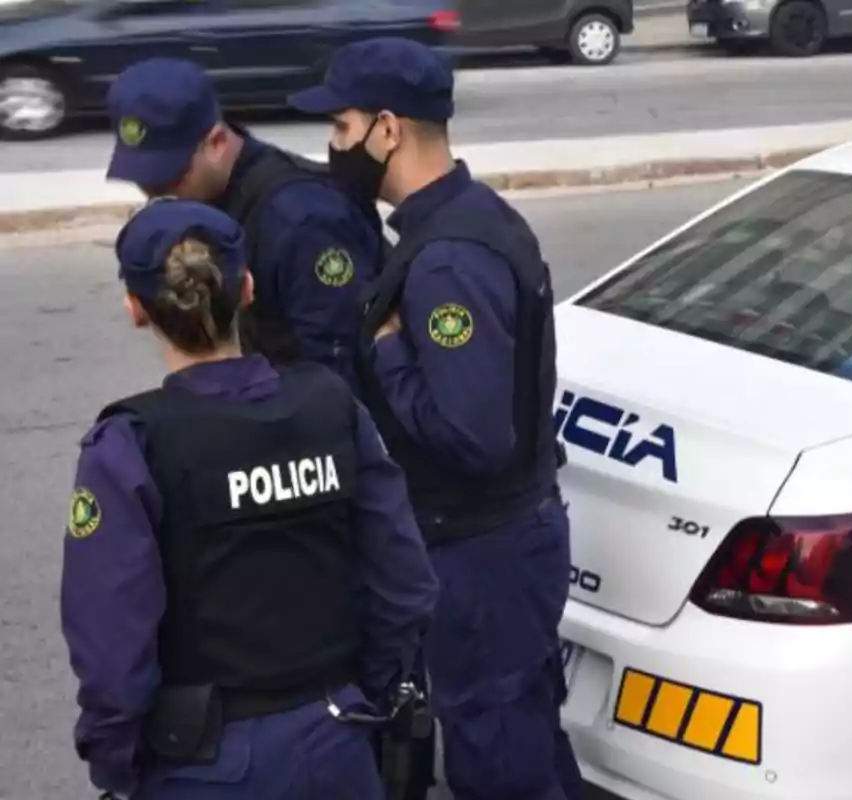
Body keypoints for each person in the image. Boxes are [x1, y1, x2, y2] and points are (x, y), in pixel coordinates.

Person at [59, 198, 440, 799]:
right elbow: (404, 581)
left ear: (135, 308)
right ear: (249, 286)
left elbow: (112, 647)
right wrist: (360, 696)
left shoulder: (132, 445)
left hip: (201, 762)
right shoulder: (331, 406)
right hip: (335, 736)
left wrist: (117, 766)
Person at [286, 37, 584, 800]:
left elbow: (476, 436)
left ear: (388, 129)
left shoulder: (447, 259)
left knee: (498, 760)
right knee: (522, 736)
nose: (333, 147)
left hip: (484, 552)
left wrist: (388, 351)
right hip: (494, 542)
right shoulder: (464, 219)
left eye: (343, 128)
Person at [102, 57, 386, 395]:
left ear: (217, 143)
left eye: (170, 177)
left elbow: (340, 370)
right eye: (143, 180)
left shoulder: (300, 219)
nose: (157, 195)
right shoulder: (210, 202)